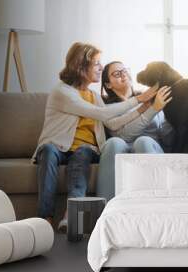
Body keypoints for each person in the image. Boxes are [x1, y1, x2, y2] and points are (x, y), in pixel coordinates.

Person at [32, 43, 156, 230]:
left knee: (82, 153)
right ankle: (44, 219)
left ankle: (70, 215)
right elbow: (105, 115)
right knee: (48, 151)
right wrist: (138, 99)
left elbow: (112, 123)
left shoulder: (94, 96)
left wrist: (143, 108)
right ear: (81, 65)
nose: (101, 68)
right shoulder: (62, 91)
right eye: (97, 63)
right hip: (57, 145)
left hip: (86, 148)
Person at [95, 61, 174, 201]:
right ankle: (106, 209)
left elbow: (166, 135)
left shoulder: (152, 97)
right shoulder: (109, 107)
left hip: (150, 147)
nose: (123, 75)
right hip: (122, 149)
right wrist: (152, 110)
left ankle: (154, 204)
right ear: (108, 84)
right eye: (117, 73)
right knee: (114, 142)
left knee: (143, 141)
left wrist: (166, 111)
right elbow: (122, 134)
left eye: (124, 70)